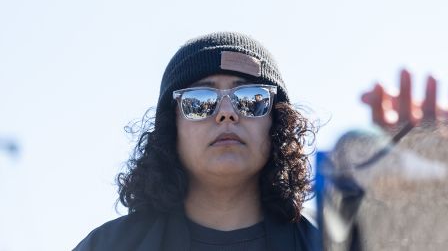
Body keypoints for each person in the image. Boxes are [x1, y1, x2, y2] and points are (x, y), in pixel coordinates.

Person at [75, 32, 319, 251]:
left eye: (251, 99)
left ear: (277, 122)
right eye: (200, 101)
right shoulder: (108, 246)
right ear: (171, 126)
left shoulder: (327, 242)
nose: (226, 113)